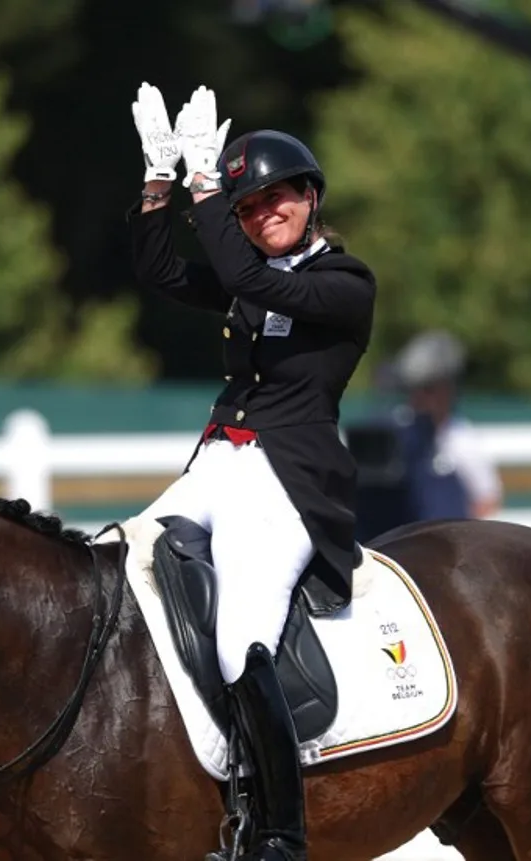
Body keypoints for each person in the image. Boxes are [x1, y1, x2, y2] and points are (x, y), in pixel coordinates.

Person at [126, 81, 377, 861]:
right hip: (219, 462)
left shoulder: (344, 282)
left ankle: (278, 830)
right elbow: (163, 273)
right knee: (124, 563)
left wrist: (212, 186)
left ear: (309, 197)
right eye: (248, 207)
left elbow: (254, 283)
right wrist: (161, 181)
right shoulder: (252, 273)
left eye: (277, 198)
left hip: (290, 482)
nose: (265, 211)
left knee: (242, 639)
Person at [391, 330, 502, 520]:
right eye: (416, 388)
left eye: (430, 389)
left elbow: (487, 497)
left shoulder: (461, 438)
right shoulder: (396, 429)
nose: (421, 397)